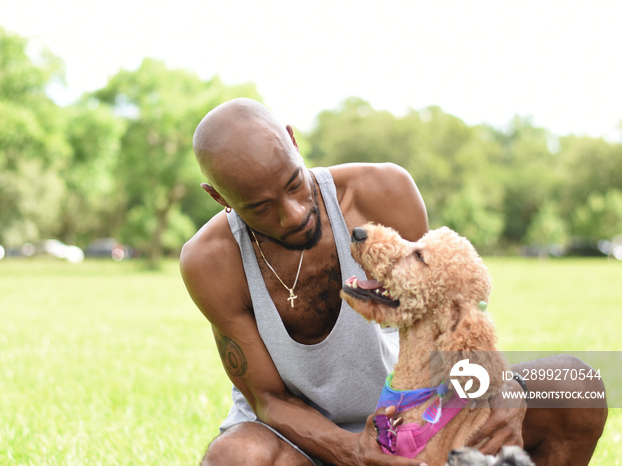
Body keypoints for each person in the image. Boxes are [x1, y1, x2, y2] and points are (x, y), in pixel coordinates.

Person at [180, 98, 606, 466]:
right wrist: (354, 452)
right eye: (260, 207)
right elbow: (267, 400)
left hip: (412, 420)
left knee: (576, 386)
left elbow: (448, 306)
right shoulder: (210, 262)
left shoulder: (382, 191)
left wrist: (500, 387)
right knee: (235, 457)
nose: (293, 213)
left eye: (294, 183)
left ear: (293, 141)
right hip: (302, 446)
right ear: (220, 199)